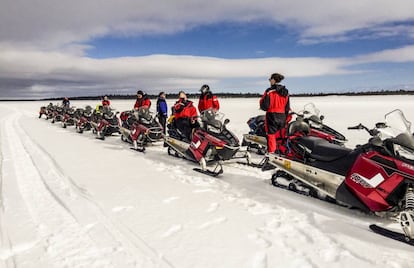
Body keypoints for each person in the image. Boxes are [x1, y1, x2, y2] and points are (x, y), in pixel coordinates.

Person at [259, 73, 290, 154]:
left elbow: (264, 106)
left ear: (273, 80)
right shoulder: (285, 92)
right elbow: (287, 107)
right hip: (282, 116)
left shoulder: (269, 91)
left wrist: (261, 104)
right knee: (280, 135)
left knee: (271, 136)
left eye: (270, 79)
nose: (269, 81)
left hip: (272, 115)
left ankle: (272, 155)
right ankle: (282, 152)